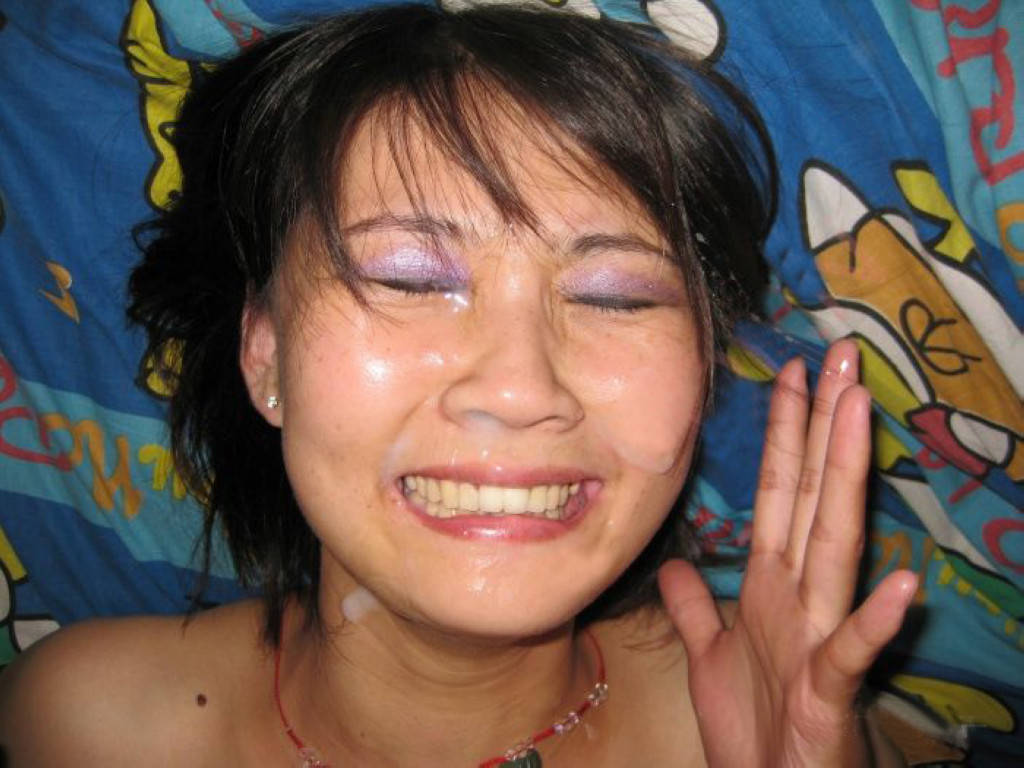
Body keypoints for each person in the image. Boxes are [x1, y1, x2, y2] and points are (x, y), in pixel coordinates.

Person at [0, 5, 917, 765]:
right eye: (407, 279)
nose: (519, 389)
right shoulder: (86, 725)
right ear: (265, 354)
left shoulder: (776, 723)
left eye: (614, 295)